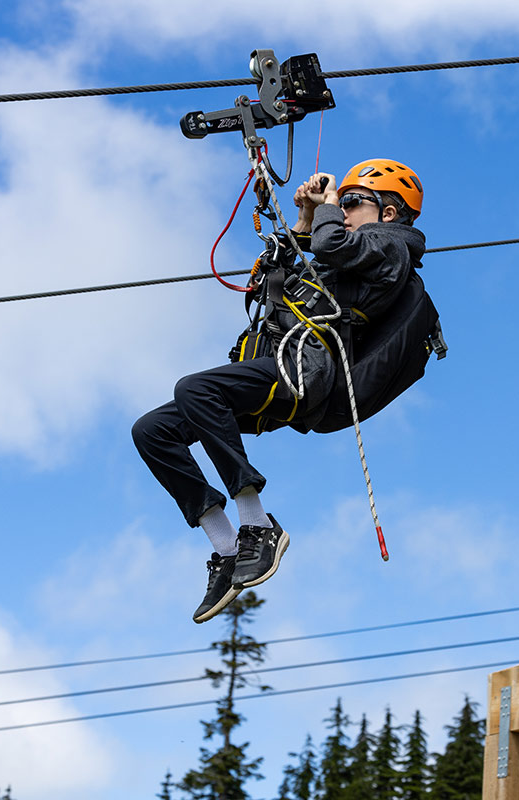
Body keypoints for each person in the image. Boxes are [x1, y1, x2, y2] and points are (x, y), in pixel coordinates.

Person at [132, 158, 426, 623]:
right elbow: (295, 265)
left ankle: (258, 525)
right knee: (153, 430)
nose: (344, 209)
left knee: (195, 389)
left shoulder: (391, 248)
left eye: (353, 202)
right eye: (343, 202)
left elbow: (331, 245)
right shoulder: (353, 251)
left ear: (388, 212)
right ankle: (227, 548)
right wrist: (307, 219)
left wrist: (327, 208)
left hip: (307, 371)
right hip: (279, 362)